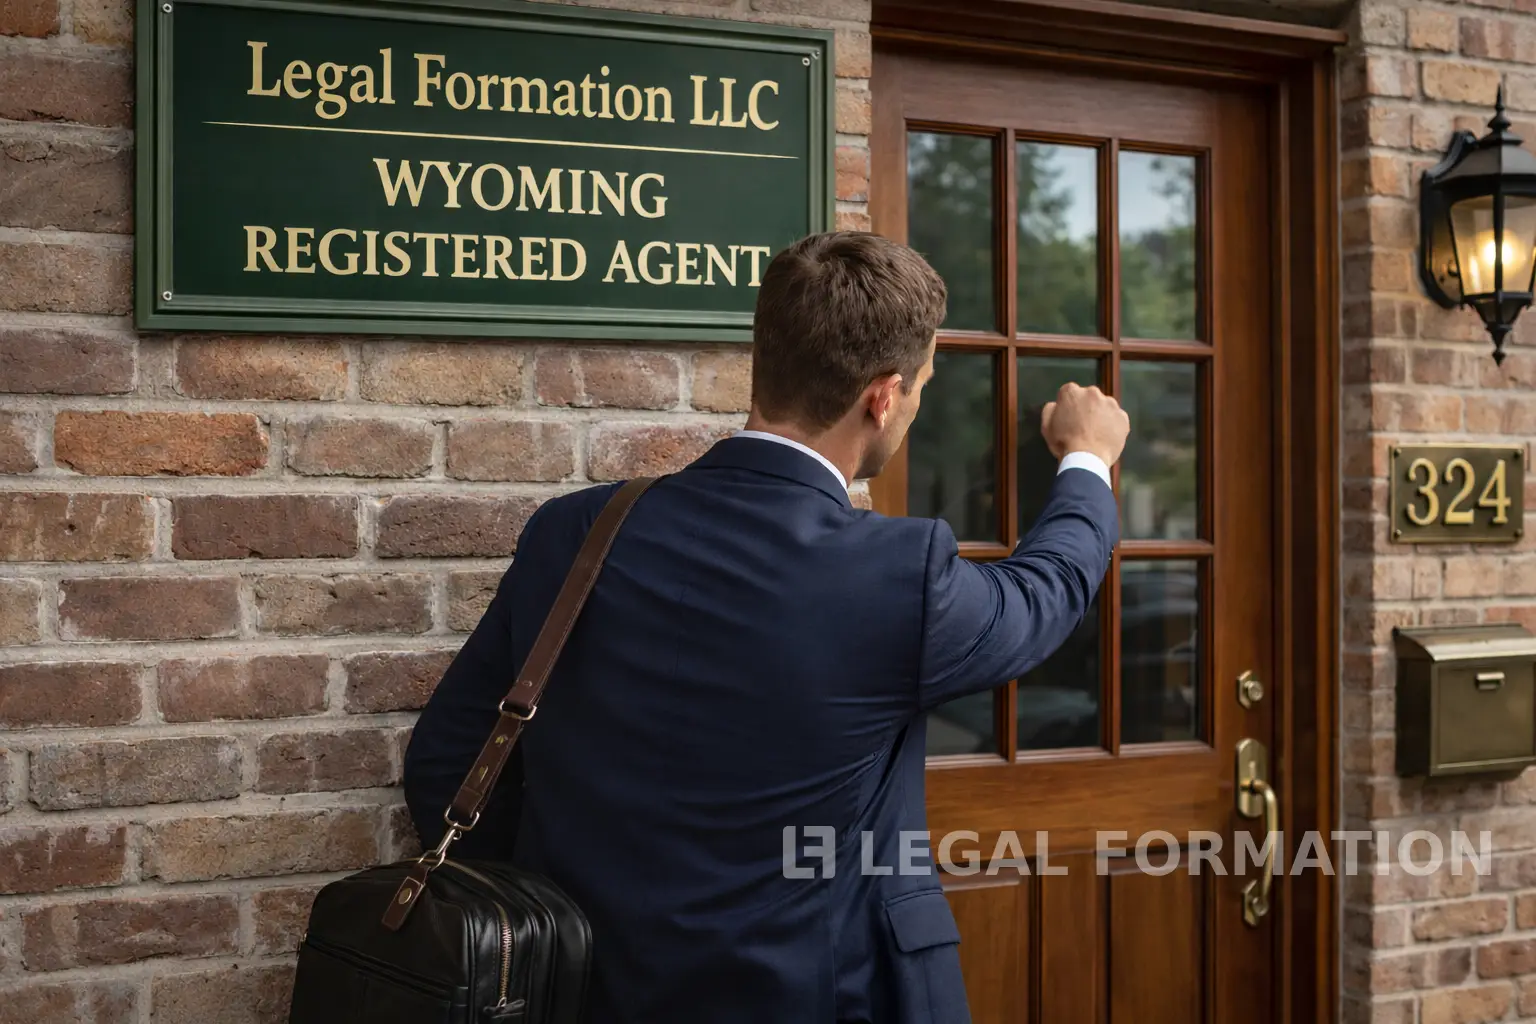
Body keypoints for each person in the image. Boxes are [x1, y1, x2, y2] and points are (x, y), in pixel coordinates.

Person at [403, 231, 1129, 1024]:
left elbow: (449, 761)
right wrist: (1086, 459)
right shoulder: (897, 573)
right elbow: (1046, 592)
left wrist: (562, 903)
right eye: (917, 390)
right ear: (882, 397)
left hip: (585, 994)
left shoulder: (574, 531)